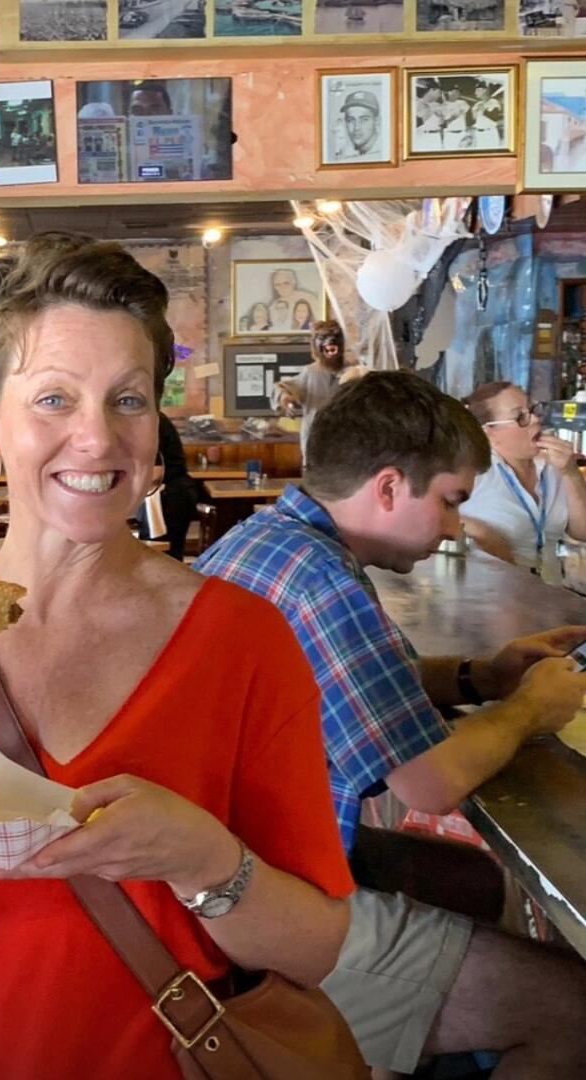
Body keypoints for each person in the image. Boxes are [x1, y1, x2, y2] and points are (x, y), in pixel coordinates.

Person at [0, 234, 355, 1078]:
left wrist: (201, 859)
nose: (96, 439)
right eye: (53, 399)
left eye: (127, 400)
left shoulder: (242, 640)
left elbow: (316, 949)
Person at [196, 370, 586, 1077]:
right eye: (448, 502)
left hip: (244, 859)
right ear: (386, 487)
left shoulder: (275, 543)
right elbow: (429, 782)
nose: (454, 528)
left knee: (478, 884)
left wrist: (480, 675)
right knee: (576, 1007)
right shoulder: (319, 579)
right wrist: (532, 708)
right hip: (250, 911)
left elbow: (359, 688)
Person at [460, 381, 586, 583]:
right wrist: (481, 532)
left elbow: (582, 532)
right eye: (520, 417)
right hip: (491, 597)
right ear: (488, 433)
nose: (536, 419)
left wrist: (570, 472)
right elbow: (431, 516)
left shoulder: (553, 467)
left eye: (533, 409)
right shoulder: (476, 471)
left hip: (549, 597)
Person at [271, 319, 366, 457]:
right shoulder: (310, 372)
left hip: (347, 441)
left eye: (336, 336)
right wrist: (286, 398)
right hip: (316, 441)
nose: (331, 340)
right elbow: (284, 388)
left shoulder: (354, 371)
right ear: (315, 344)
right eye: (322, 337)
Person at [136, 413, 210, 560]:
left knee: (161, 558)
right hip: (173, 492)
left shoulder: (149, 421)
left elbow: (155, 473)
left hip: (168, 496)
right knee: (165, 558)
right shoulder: (150, 418)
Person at [339, 89, 381, 159]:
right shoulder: (348, 155)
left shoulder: (384, 154)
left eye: (364, 120)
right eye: (350, 120)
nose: (356, 127)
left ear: (377, 121)